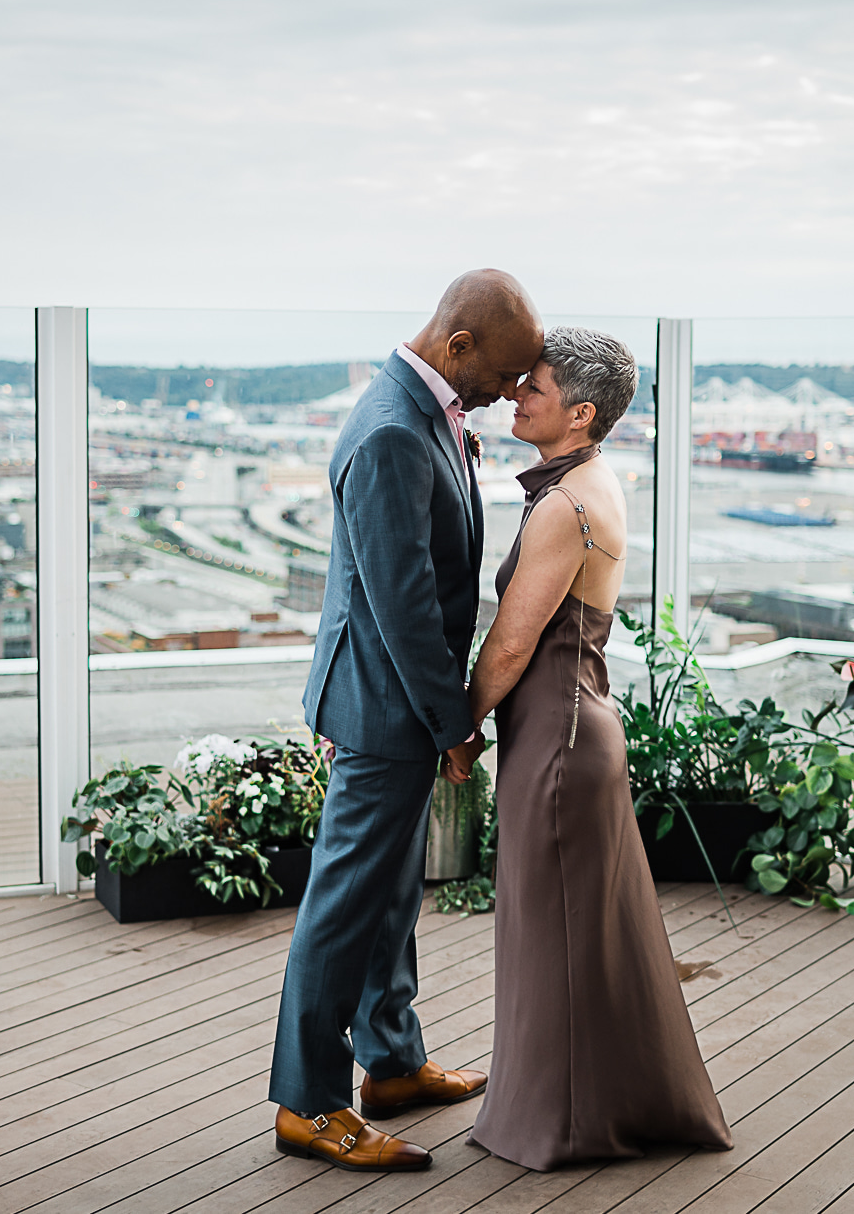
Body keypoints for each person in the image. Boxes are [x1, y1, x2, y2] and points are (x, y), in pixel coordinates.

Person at [269, 269, 544, 1173]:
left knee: (389, 893)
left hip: (394, 702)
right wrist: (453, 722)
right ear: (456, 345)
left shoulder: (422, 410)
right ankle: (309, 1101)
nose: (506, 396)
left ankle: (389, 1061)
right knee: (345, 902)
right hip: (383, 704)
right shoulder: (392, 430)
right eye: (500, 376)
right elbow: (403, 605)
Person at [455, 326, 734, 1171]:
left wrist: (460, 730)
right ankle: (595, 1105)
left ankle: (563, 1121)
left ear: (580, 413)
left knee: (556, 938)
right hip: (570, 731)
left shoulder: (566, 505)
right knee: (580, 937)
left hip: (557, 743)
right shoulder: (587, 482)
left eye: (532, 385)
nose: (516, 393)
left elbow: (508, 647)